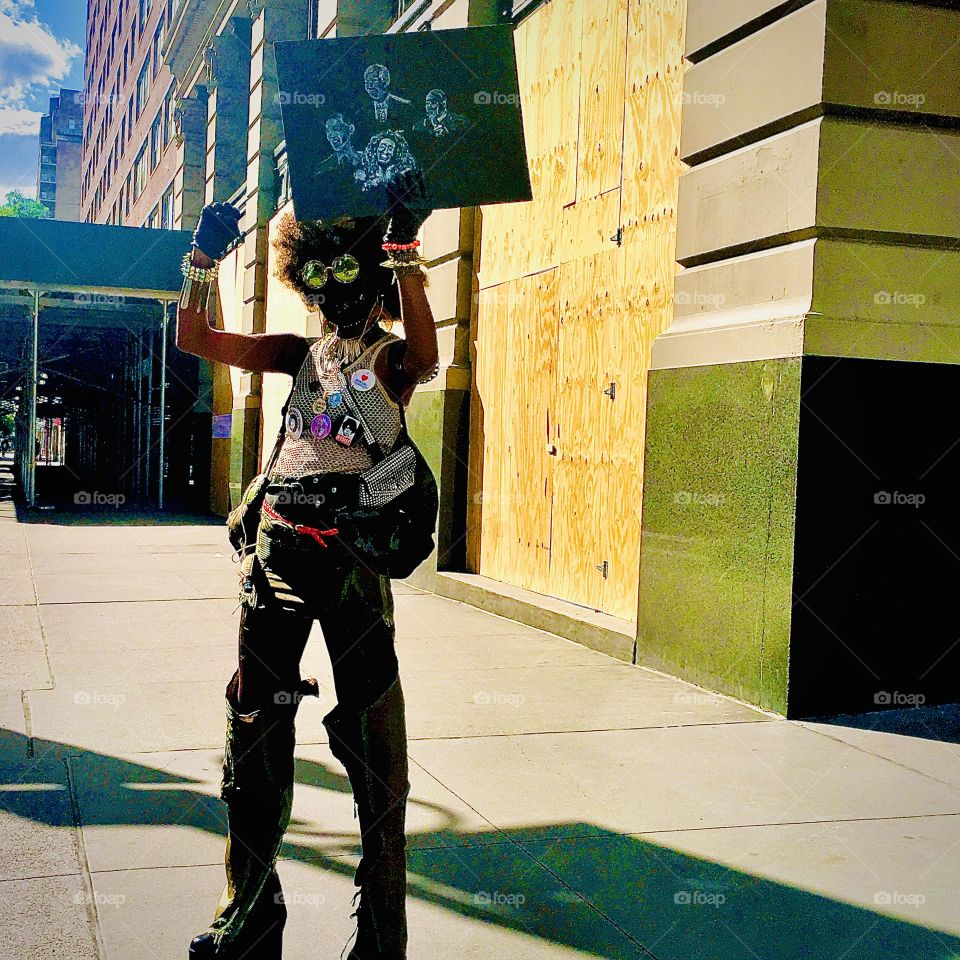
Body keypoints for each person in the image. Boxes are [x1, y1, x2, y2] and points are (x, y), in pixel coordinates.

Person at [175, 174, 437, 959]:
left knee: (370, 733)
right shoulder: (297, 354)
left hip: (353, 557)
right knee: (255, 723)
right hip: (278, 552)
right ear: (302, 278)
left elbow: (425, 357)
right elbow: (198, 342)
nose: (330, 288)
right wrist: (201, 259)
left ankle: (381, 937)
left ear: (372, 272)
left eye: (347, 269)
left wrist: (406, 251)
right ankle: (250, 913)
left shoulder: (388, 359)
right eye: (317, 275)